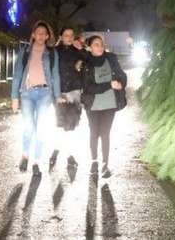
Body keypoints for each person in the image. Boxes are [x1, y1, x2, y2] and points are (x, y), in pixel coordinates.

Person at [11, 21, 61, 176]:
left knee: (41, 128)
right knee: (28, 127)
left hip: (45, 93)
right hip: (27, 93)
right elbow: (17, 74)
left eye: (43, 33)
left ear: (47, 36)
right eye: (38, 32)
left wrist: (58, 96)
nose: (40, 35)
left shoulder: (52, 53)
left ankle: (37, 162)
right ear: (33, 35)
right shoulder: (25, 51)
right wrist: (14, 97)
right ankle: (25, 154)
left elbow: (55, 75)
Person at [79, 35, 127, 178]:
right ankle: (94, 162)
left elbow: (122, 75)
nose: (100, 47)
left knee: (105, 133)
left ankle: (105, 165)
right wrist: (109, 85)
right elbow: (89, 88)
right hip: (92, 104)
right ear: (90, 47)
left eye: (101, 44)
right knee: (94, 133)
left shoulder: (111, 59)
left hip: (110, 104)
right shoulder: (86, 64)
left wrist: (121, 83)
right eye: (96, 44)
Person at [52, 26, 87, 168]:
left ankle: (69, 155)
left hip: (75, 91)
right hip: (60, 92)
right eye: (66, 35)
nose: (69, 38)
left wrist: (81, 50)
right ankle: (57, 150)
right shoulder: (55, 51)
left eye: (71, 35)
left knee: (71, 125)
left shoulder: (77, 51)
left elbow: (88, 59)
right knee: (61, 124)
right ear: (61, 37)